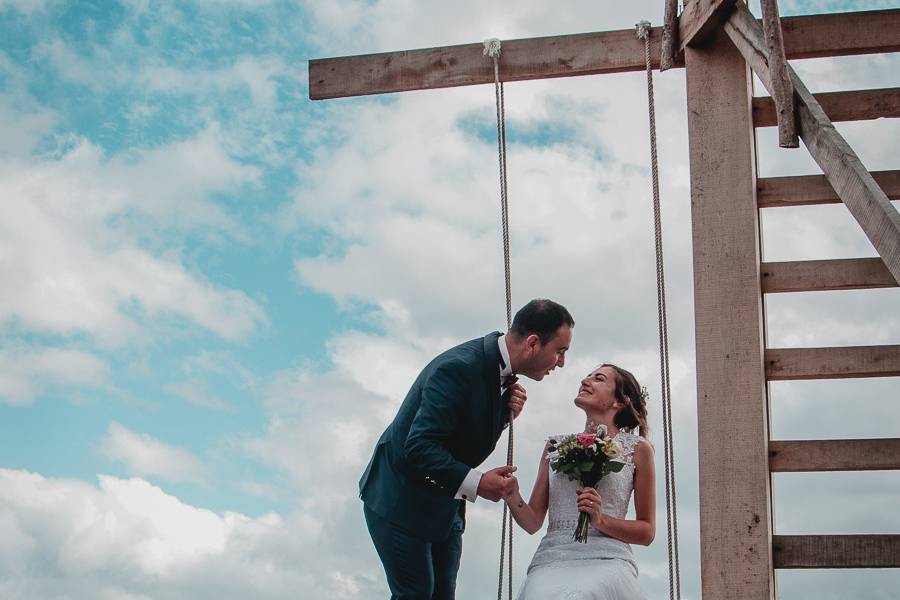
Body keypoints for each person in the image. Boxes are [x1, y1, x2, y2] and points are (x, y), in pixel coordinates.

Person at [359, 299, 574, 599]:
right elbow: (420, 446)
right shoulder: (458, 368)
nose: (561, 363)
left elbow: (461, 431)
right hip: (400, 499)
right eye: (560, 352)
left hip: (444, 508)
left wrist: (504, 416)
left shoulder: (501, 375)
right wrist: (479, 482)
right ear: (533, 343)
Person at [504, 363, 655, 599]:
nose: (586, 380)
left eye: (599, 378)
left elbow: (646, 531)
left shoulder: (637, 449)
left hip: (606, 557)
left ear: (620, 401)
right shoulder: (555, 446)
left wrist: (601, 520)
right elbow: (533, 522)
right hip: (553, 558)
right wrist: (512, 495)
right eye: (587, 376)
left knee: (585, 594)